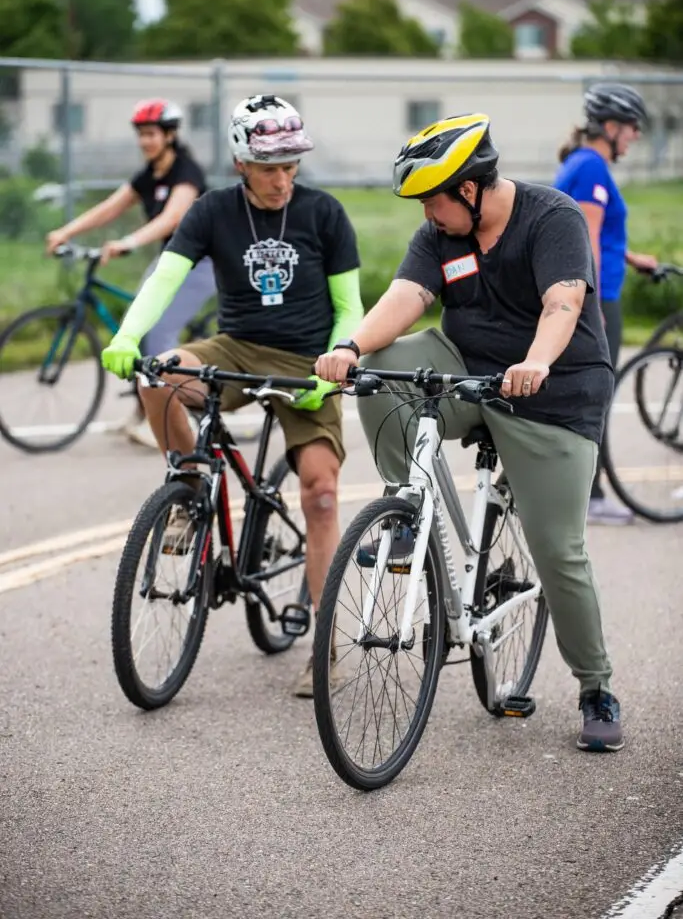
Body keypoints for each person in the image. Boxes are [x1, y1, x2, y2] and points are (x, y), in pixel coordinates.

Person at [315, 111, 624, 752]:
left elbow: (563, 302)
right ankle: (407, 510)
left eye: (432, 198)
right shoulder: (439, 235)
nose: (427, 212)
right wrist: (350, 345)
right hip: (466, 374)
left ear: (471, 188)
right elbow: (405, 297)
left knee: (558, 550)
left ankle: (595, 686)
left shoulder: (552, 218)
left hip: (553, 394)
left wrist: (536, 362)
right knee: (384, 371)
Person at [100, 93, 364, 698]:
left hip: (309, 361)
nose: (283, 179)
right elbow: (164, 279)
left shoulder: (324, 213)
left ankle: (325, 645)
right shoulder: (213, 211)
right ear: (242, 162)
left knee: (321, 494)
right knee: (159, 373)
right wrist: (127, 336)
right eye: (271, 167)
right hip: (237, 348)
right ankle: (189, 491)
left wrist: (334, 367)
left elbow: (350, 306)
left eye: (291, 165)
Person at [46, 99, 215, 447]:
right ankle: (143, 413)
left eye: (151, 134)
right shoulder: (149, 174)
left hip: (204, 262)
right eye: (141, 134)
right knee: (135, 328)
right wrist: (67, 231)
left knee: (157, 337)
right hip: (174, 260)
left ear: (169, 135)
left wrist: (128, 242)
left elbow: (172, 218)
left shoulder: (187, 172)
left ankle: (176, 421)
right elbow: (110, 207)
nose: (144, 141)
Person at [553, 82, 658, 525]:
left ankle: (580, 492)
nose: (635, 136)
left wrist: (631, 257)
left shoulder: (583, 164)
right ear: (611, 127)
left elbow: (587, 230)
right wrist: (589, 304)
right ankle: (590, 498)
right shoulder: (592, 168)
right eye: (632, 127)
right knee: (592, 398)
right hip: (599, 299)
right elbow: (586, 238)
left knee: (584, 395)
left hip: (596, 290)